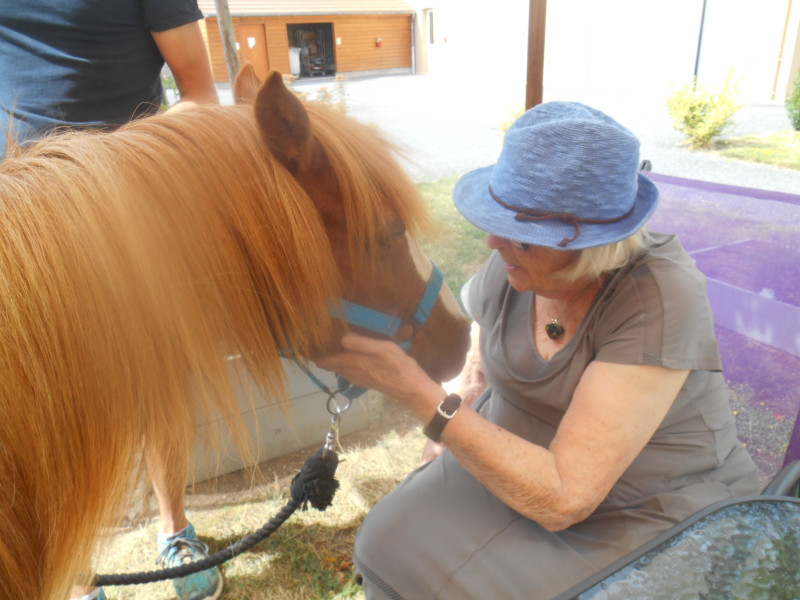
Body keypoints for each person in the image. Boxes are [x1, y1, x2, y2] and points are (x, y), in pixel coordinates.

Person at [316, 101, 761, 599]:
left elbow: (565, 498)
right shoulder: (519, 268)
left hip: (644, 502)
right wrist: (454, 416)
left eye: (523, 235)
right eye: (499, 219)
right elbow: (483, 356)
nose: (492, 241)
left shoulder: (659, 298)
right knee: (386, 543)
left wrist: (421, 398)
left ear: (593, 244)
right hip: (520, 451)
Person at [0, 2, 223, 599]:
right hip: (25, 239)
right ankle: (74, 564)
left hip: (134, 223)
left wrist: (116, 177)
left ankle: (175, 529)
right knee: (49, 403)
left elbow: (201, 94)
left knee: (161, 383)